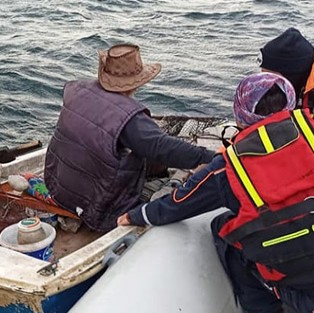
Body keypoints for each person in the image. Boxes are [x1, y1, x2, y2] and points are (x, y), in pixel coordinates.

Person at [117, 73, 314, 313]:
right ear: (291, 104)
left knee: (223, 229)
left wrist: (135, 215)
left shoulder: (226, 169)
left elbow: (176, 205)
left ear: (240, 115)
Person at [44, 43, 215, 232]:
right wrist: (209, 158)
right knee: (170, 171)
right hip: (100, 208)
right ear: (137, 81)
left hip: (58, 187)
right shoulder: (130, 119)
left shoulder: (75, 89)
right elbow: (162, 147)